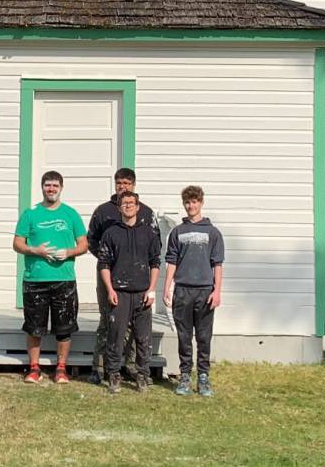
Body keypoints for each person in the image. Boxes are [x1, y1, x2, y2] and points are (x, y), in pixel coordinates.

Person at [13, 170, 88, 384]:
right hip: (35, 279)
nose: (51, 189)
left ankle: (61, 369)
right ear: (42, 187)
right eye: (47, 185)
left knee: (64, 328)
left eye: (55, 186)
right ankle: (34, 368)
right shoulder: (30, 213)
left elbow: (84, 244)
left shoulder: (70, 214)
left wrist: (69, 252)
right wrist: (35, 250)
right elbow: (17, 243)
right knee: (34, 327)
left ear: (61, 188)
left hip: (63, 278)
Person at [87, 167, 159, 384]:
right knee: (108, 319)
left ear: (133, 185)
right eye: (119, 183)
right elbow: (92, 240)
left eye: (127, 183)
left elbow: (155, 247)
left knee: (135, 325)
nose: (122, 187)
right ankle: (100, 367)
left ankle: (130, 366)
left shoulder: (146, 213)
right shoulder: (103, 211)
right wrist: (111, 262)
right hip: (109, 274)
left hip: (138, 278)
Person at [162, 185, 224, 397]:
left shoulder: (213, 233)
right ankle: (185, 375)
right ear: (184, 205)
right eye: (188, 202)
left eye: (195, 202)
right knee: (184, 336)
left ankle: (204, 377)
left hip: (205, 291)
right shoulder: (178, 232)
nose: (191, 206)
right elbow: (171, 262)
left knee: (204, 336)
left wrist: (217, 291)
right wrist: (167, 286)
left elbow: (217, 264)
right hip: (182, 291)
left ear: (201, 203)